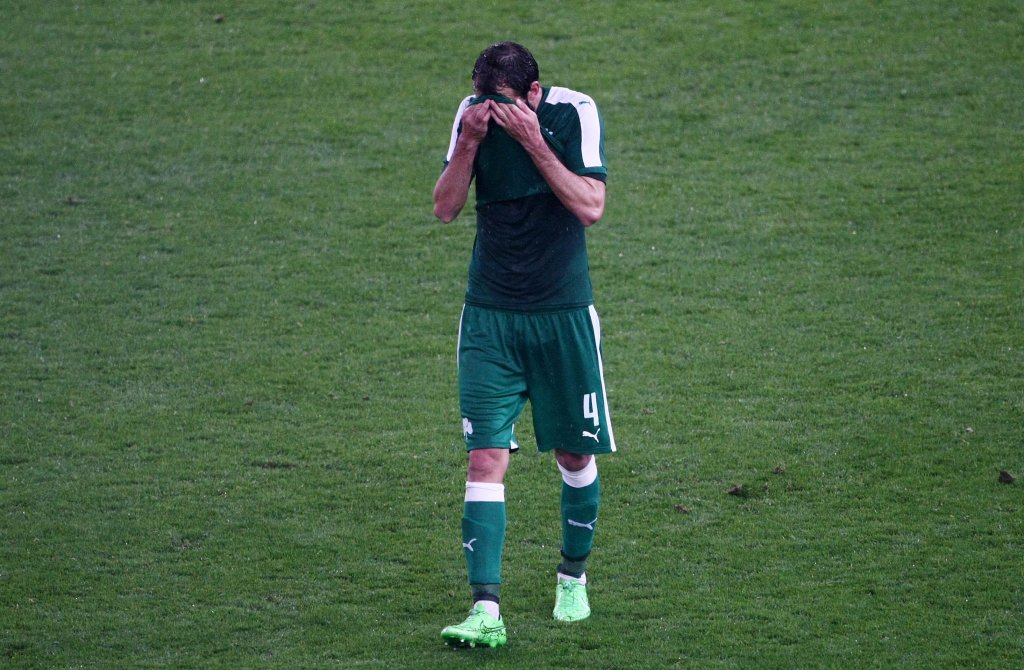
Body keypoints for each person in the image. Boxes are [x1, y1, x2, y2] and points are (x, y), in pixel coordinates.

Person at [433, 41, 616, 649]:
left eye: (505, 103)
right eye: (485, 101)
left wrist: (534, 140)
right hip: (490, 317)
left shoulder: (573, 112)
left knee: (573, 455)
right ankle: (486, 609)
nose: (493, 111)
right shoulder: (472, 116)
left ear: (534, 94)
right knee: (485, 457)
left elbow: (591, 206)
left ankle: (572, 576)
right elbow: (445, 208)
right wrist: (469, 142)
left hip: (562, 314)